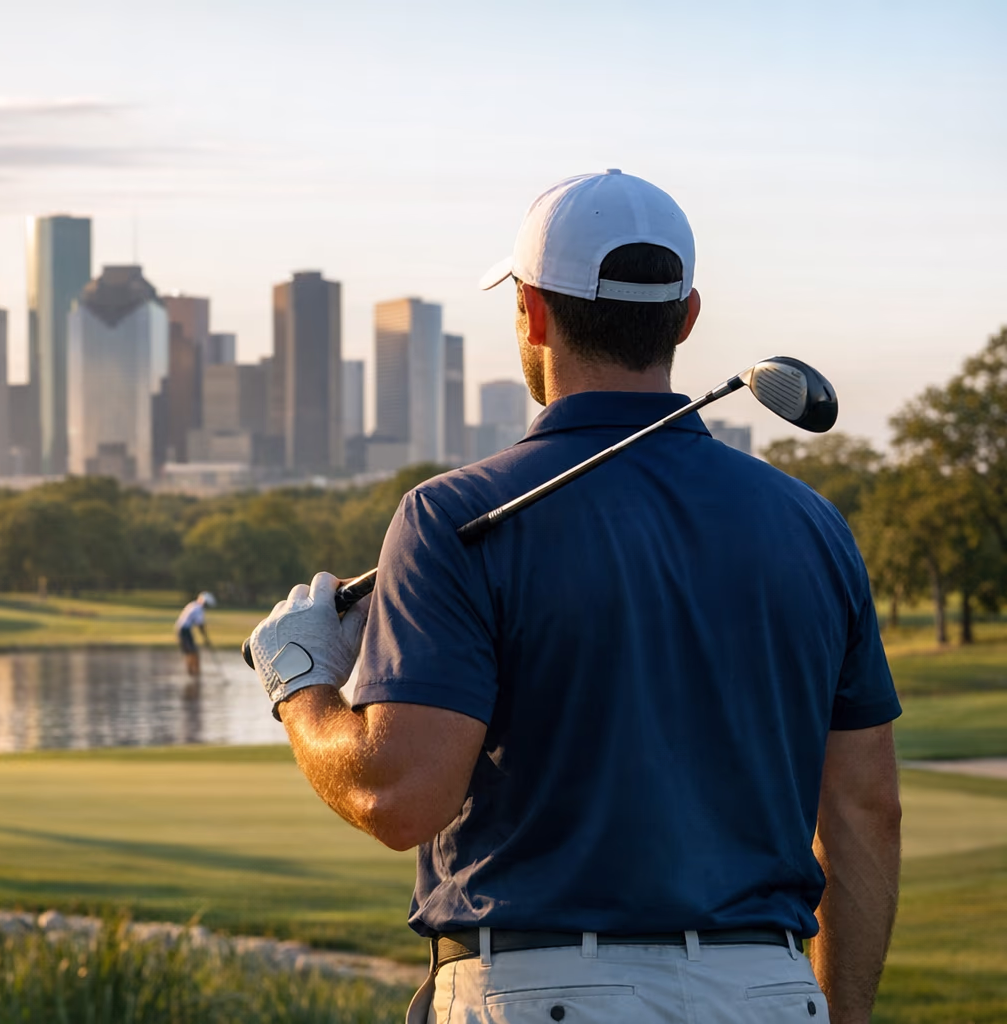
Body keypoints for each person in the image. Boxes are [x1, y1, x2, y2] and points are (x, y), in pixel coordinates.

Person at [245, 170, 902, 1024]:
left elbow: (398, 796)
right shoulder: (815, 527)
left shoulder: (453, 517)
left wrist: (299, 682)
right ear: (687, 315)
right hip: (772, 997)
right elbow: (866, 809)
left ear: (534, 313)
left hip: (546, 994)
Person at [175, 591, 216, 677]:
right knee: (192, 653)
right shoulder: (198, 609)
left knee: (190, 652)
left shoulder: (193, 604)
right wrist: (206, 638)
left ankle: (192, 673)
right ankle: (194, 674)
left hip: (182, 629)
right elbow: (200, 625)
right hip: (184, 631)